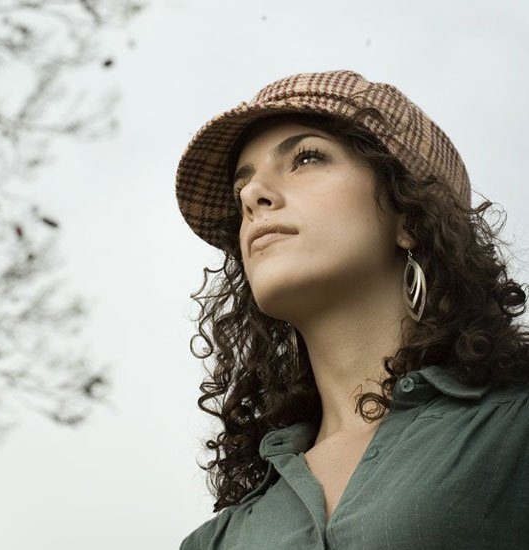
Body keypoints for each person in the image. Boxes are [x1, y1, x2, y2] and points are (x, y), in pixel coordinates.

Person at [174, 70, 529, 549]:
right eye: (244, 187)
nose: (252, 196)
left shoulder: (514, 427)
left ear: (410, 214)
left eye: (306, 158)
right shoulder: (216, 540)